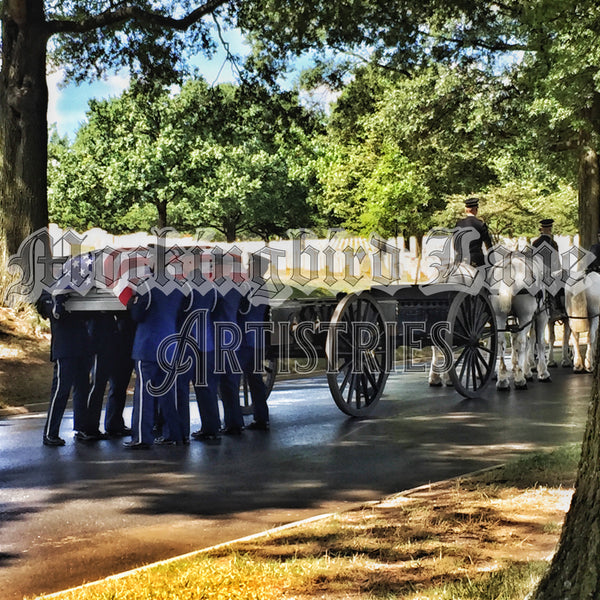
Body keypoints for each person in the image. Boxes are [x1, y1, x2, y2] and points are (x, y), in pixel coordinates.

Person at [126, 281, 187, 449]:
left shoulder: (147, 286)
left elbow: (137, 314)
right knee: (168, 394)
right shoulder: (178, 287)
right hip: (169, 345)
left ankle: (142, 436)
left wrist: (132, 302)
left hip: (148, 345)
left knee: (144, 395)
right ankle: (173, 433)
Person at [36, 291, 92, 446]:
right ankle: (50, 433)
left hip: (82, 346)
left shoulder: (79, 290)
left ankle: (81, 428)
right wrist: (59, 301)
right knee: (61, 391)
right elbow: (50, 311)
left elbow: (88, 314)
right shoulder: (49, 292)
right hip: (65, 348)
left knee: (82, 388)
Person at [84, 311, 135, 440]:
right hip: (100, 340)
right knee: (98, 384)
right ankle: (89, 426)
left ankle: (114, 423)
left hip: (119, 339)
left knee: (119, 384)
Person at [454, 197, 493, 267]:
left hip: (459, 260)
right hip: (476, 260)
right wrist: (493, 260)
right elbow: (488, 245)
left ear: (466, 210)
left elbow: (455, 244)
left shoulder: (458, 224)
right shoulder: (481, 224)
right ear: (476, 210)